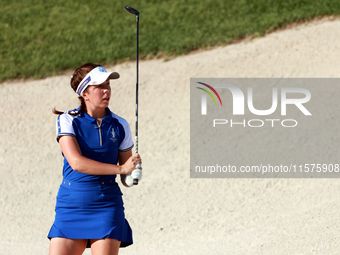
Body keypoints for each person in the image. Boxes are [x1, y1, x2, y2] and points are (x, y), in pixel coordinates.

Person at [48, 63, 142, 255]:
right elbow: (77, 163)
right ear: (85, 94)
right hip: (71, 205)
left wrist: (131, 174)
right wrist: (121, 170)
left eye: (108, 85)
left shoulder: (120, 125)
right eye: (100, 87)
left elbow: (125, 175)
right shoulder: (68, 119)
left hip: (106, 205)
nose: (106, 90)